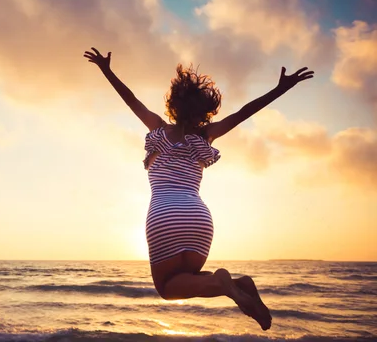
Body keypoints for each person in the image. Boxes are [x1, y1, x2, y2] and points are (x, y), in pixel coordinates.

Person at [84, 47, 314, 331]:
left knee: (166, 289)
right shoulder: (205, 136)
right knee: (185, 278)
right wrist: (281, 89)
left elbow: (131, 101)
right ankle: (238, 285)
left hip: (164, 215)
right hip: (198, 220)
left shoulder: (158, 129)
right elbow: (243, 113)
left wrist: (106, 70)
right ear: (203, 111)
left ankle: (223, 284)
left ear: (174, 105)